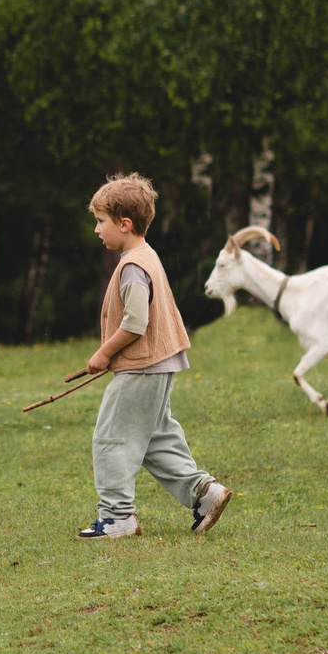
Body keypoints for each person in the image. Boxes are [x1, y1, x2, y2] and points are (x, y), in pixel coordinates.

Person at [70, 173, 232, 540]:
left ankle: (116, 517)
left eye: (100, 221)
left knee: (111, 438)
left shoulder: (132, 267)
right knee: (155, 438)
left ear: (124, 224)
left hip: (142, 367)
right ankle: (204, 493)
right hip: (159, 364)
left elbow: (136, 322)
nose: (96, 230)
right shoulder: (147, 256)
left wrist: (102, 354)